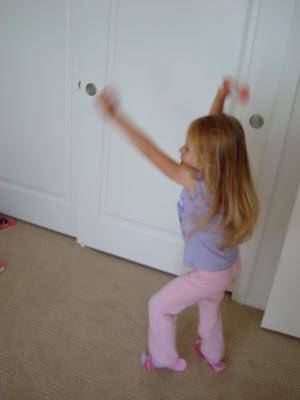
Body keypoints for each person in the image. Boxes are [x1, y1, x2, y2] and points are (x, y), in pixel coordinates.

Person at [95, 80, 259, 373]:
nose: (180, 150)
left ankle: (163, 357)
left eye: (187, 148)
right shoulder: (228, 178)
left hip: (209, 274)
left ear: (207, 159)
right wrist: (220, 94)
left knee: (160, 306)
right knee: (210, 307)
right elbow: (213, 130)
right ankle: (212, 353)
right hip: (230, 265)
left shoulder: (195, 182)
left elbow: (150, 152)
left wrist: (115, 116)